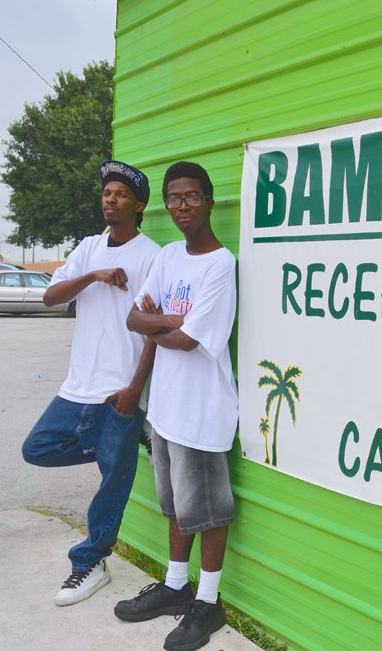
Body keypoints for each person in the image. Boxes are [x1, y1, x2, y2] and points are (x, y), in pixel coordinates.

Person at [22, 160, 161, 606]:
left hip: (118, 392)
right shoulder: (86, 248)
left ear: (138, 205)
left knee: (111, 485)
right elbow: (50, 296)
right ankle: (115, 449)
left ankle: (90, 562)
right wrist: (94, 275)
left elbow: (154, 330)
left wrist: (134, 391)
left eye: (120, 194)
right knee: (36, 449)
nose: (110, 199)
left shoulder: (152, 256)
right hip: (76, 386)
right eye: (106, 192)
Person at [118, 161, 238, 651]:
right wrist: (170, 321)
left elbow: (190, 340)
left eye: (190, 197)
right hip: (165, 408)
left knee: (206, 511)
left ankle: (208, 603)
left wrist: (162, 323)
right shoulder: (168, 256)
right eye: (173, 198)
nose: (181, 206)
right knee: (175, 507)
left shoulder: (220, 263)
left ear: (209, 201)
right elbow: (132, 317)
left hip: (202, 411)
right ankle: (174, 587)